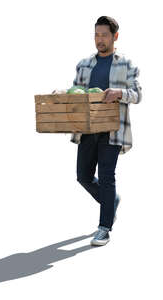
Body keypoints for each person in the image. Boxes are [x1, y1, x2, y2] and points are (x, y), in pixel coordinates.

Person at [69, 16, 142, 246]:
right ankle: (111, 203)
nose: (99, 40)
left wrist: (119, 93)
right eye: (96, 35)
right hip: (88, 129)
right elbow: (75, 92)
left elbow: (138, 94)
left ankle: (104, 228)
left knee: (107, 177)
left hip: (112, 129)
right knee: (83, 176)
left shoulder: (126, 65)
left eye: (104, 35)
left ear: (115, 37)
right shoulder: (84, 64)